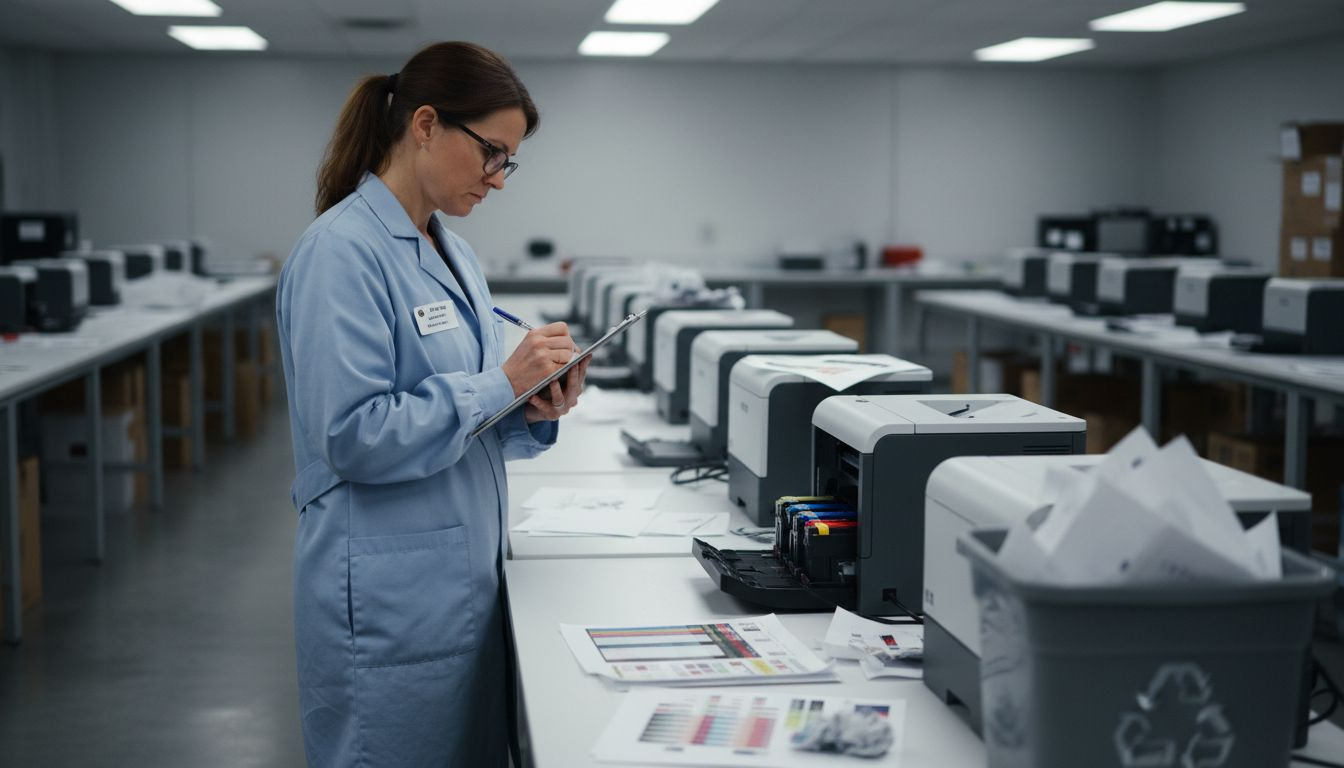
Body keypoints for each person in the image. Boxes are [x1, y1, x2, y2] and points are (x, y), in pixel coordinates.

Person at [276, 41, 585, 766]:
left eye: (508, 161)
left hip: (456, 576)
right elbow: (352, 434)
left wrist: (531, 406)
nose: (498, 180)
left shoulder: (454, 252)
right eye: (491, 153)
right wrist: (502, 384)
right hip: (389, 592)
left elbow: (466, 412)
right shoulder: (339, 253)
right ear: (424, 125)